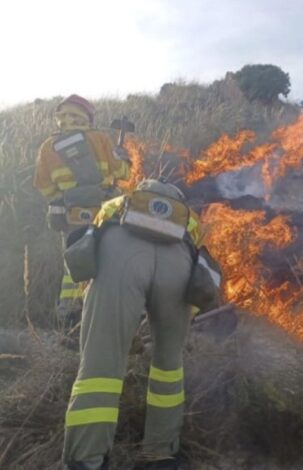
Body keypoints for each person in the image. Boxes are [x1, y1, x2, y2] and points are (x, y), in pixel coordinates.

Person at [62, 179, 219, 470]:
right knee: (169, 367)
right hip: (178, 266)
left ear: (141, 193)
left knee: (100, 365)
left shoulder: (117, 204)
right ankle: (161, 453)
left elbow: (89, 249)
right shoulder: (190, 221)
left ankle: (87, 458)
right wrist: (181, 322)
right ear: (178, 202)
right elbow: (198, 275)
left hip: (119, 255)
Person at [33, 94, 131, 326]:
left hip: (72, 216)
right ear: (87, 116)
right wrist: (125, 161)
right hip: (105, 213)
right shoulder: (99, 138)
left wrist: (62, 199)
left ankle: (69, 318)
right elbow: (122, 173)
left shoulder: (48, 146)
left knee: (74, 264)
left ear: (61, 117)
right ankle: (106, 315)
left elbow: (42, 184)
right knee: (108, 259)